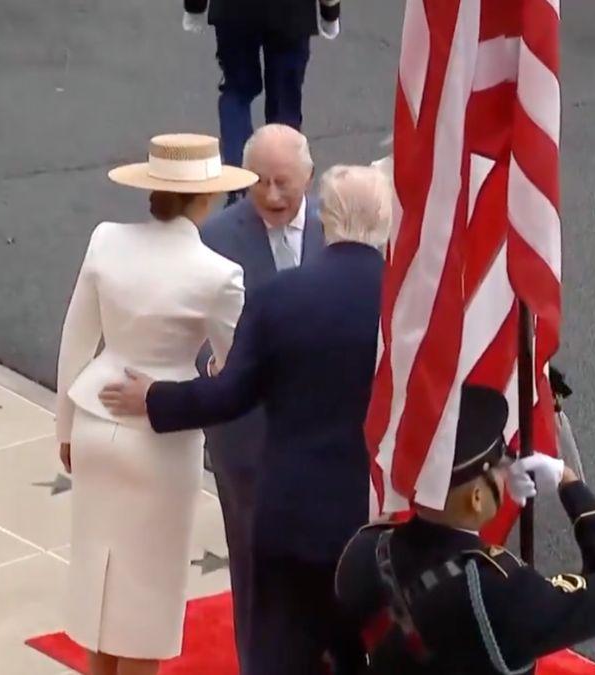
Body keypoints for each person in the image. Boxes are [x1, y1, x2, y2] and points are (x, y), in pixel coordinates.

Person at [98, 164, 391, 675]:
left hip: (290, 512)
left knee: (283, 649)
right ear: (386, 221)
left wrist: (156, 399)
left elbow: (230, 395)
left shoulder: (280, 297)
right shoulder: (406, 303)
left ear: (327, 220)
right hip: (376, 513)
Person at [55, 133, 257, 675]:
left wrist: (66, 429)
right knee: (147, 598)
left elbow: (76, 341)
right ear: (206, 199)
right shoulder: (220, 274)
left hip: (96, 423)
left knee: (100, 588)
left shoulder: (106, 240)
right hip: (161, 441)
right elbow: (236, 364)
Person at [334, 385, 595, 674]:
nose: (508, 469)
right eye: (500, 464)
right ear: (477, 497)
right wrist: (569, 482)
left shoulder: (364, 550)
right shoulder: (496, 592)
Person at [193, 123, 325, 672]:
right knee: (251, 566)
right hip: (248, 439)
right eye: (260, 183)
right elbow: (191, 332)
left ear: (309, 178)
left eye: (284, 183)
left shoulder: (337, 232)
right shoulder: (212, 240)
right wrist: (209, 365)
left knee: (324, 563)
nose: (272, 196)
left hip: (323, 437)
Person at [181, 0, 342, 184]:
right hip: (292, 13)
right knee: (285, 101)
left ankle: (238, 184)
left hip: (233, 11)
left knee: (236, 92)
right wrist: (330, 12)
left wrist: (195, 6)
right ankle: (284, 183)